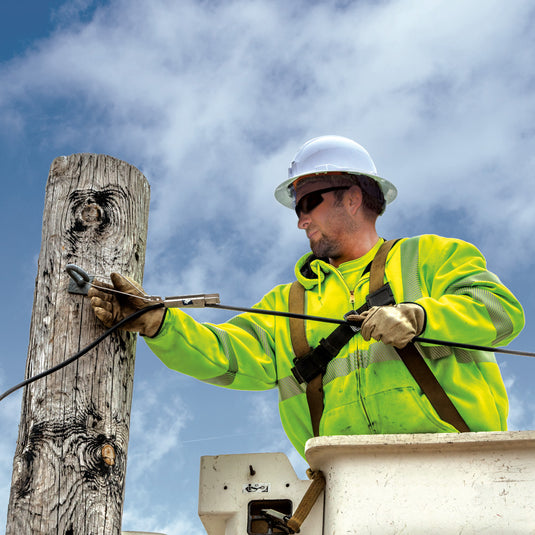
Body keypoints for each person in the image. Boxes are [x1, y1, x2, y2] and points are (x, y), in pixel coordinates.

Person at [89, 135, 525, 458]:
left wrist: (420, 316)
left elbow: (501, 312)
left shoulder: (429, 257)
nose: (300, 220)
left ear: (352, 197)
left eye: (308, 203)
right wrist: (159, 323)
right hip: (346, 479)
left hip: (465, 466)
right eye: (296, 208)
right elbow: (226, 354)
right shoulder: (290, 304)